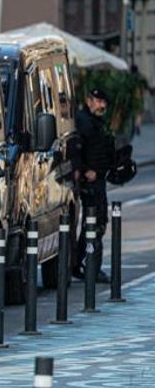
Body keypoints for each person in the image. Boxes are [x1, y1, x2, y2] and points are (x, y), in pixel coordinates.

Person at [71, 87, 115, 279]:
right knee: (95, 223)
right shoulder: (83, 120)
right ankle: (91, 267)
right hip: (90, 181)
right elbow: (75, 148)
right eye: (98, 101)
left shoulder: (97, 122)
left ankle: (81, 263)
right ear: (89, 101)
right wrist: (84, 169)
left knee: (97, 222)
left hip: (99, 179)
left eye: (104, 102)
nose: (101, 105)